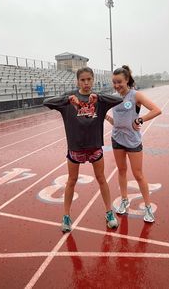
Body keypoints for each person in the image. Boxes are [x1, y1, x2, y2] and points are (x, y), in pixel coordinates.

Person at [43, 67, 123, 232]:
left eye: (89, 79)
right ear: (77, 81)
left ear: (93, 80)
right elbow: (47, 102)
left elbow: (119, 99)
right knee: (71, 181)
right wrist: (67, 99)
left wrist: (98, 96)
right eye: (83, 80)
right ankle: (66, 217)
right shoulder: (69, 100)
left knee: (101, 179)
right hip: (76, 148)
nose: (86, 83)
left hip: (95, 147)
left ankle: (109, 213)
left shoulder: (99, 100)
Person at [105, 65, 162, 222]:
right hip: (116, 139)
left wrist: (140, 119)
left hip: (133, 141)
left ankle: (148, 208)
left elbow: (157, 110)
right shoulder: (113, 97)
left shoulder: (135, 95)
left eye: (119, 82)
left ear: (127, 80)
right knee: (122, 171)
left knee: (138, 175)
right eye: (114, 82)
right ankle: (124, 200)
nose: (116, 86)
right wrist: (106, 117)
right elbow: (117, 121)